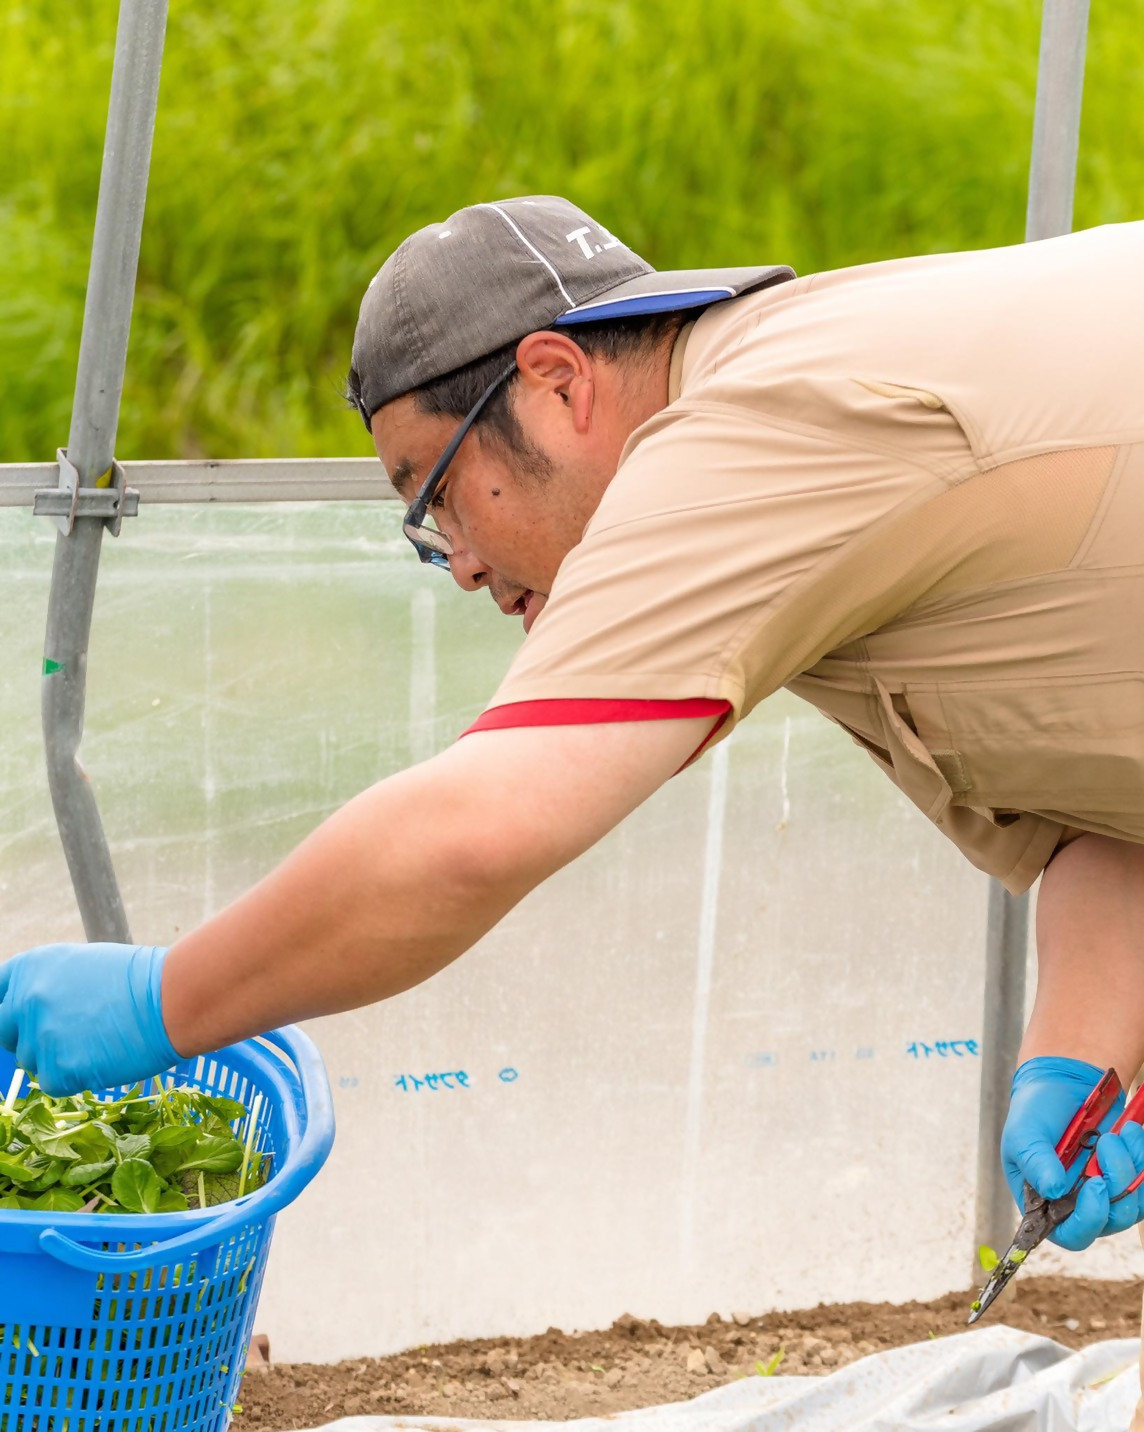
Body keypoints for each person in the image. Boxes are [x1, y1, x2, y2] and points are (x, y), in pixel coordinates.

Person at [3, 196, 1144, 1288]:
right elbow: (1107, 824)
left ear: (555, 381)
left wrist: (163, 1002)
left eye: (434, 493)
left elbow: (477, 831)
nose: (455, 560)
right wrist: (1073, 1057)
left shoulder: (751, 434)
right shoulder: (817, 454)